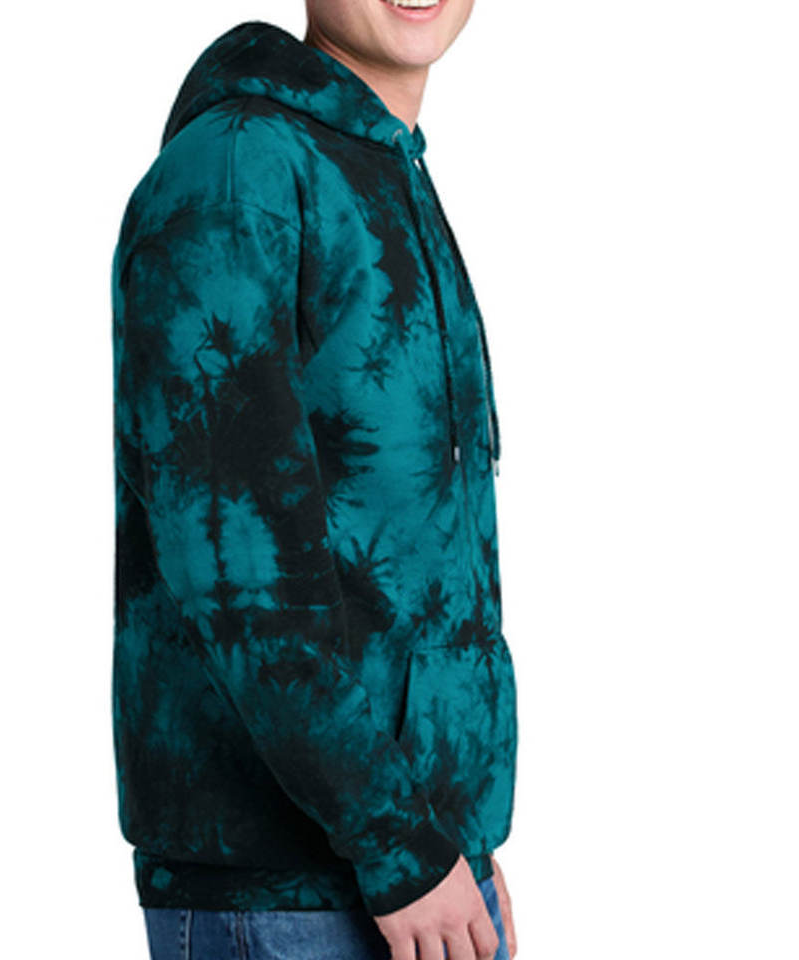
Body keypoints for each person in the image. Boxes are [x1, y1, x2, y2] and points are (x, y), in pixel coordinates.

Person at [110, 2, 519, 958]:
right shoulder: (238, 171)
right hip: (294, 893)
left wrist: (462, 840)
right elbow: (236, 568)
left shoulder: (382, 164)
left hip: (416, 871)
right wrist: (402, 846)